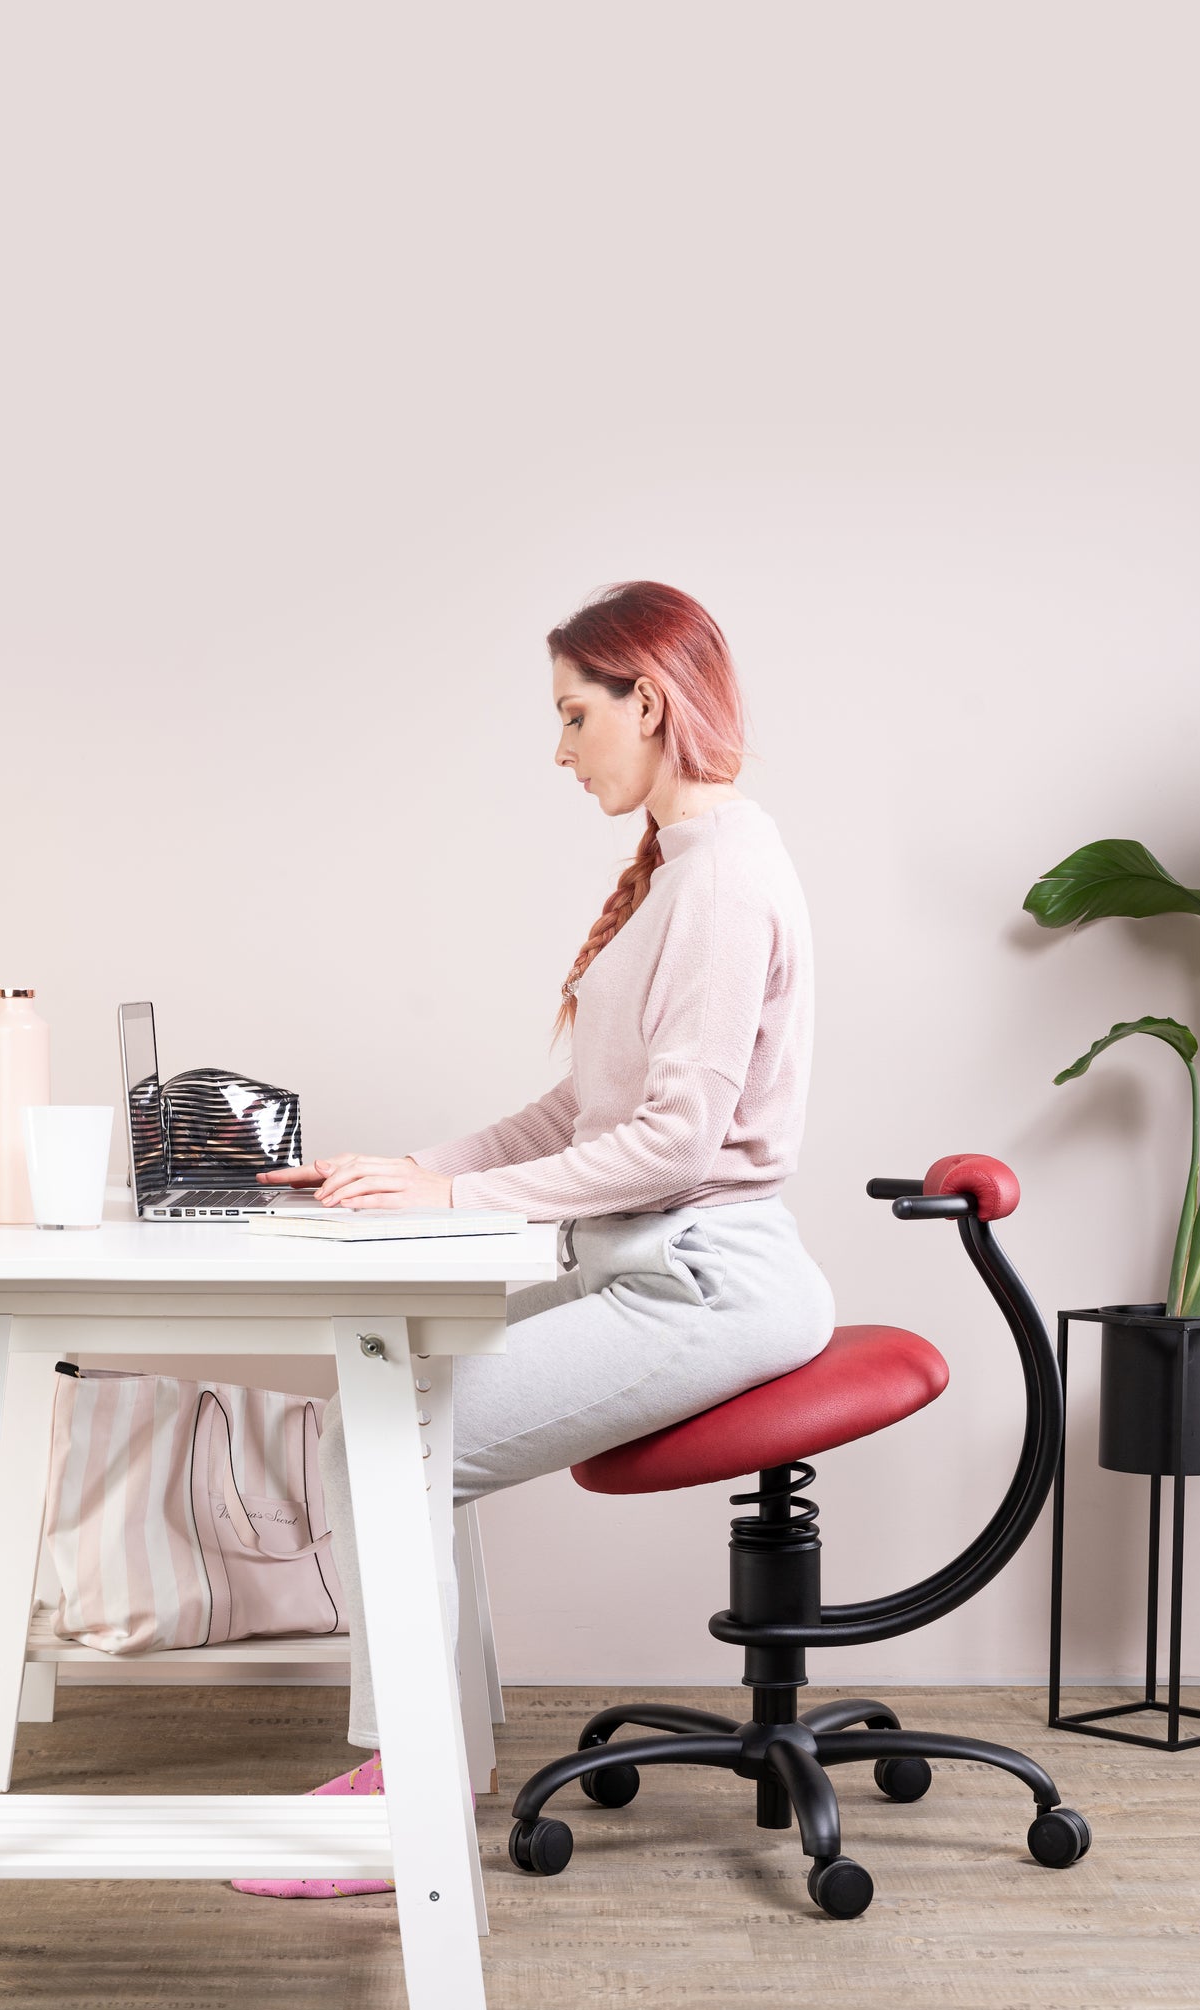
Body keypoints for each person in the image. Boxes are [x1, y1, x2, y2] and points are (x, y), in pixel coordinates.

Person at [232, 580, 835, 1898]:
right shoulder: (684, 872)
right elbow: (581, 1110)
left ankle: (409, 1793)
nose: (560, 751)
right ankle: (429, 1765)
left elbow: (672, 1146)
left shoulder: (726, 880)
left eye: (574, 716)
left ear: (649, 702)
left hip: (706, 1282)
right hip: (659, 1267)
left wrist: (457, 1205)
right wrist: (415, 1170)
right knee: (386, 1407)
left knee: (392, 1434)